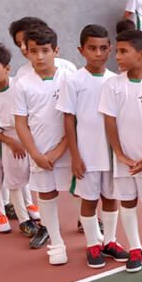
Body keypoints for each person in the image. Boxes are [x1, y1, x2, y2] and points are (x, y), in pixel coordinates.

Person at [99, 29, 142, 273]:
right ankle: (135, 247)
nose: (117, 56)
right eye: (117, 51)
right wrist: (119, 153)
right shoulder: (112, 85)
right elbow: (109, 121)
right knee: (127, 201)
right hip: (124, 159)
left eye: (123, 51)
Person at [58, 24, 123, 269]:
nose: (98, 53)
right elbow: (68, 118)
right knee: (89, 199)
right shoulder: (73, 81)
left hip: (110, 153)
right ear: (81, 50)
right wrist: (75, 156)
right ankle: (92, 243)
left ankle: (110, 241)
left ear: (110, 50)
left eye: (103, 48)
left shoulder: (115, 80)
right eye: (92, 48)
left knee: (111, 197)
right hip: (87, 152)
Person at [13, 25, 73, 266]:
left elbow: (74, 118)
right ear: (26, 52)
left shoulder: (69, 77)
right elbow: (21, 123)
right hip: (40, 154)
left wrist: (60, 149)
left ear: (55, 51)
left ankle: (95, 237)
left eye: (45, 50)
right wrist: (36, 154)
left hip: (68, 151)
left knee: (82, 191)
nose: (39, 56)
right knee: (47, 194)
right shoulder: (22, 83)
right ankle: (57, 243)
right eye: (34, 51)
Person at [0, 42, 44, 239]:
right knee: (14, 182)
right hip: (10, 141)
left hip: (31, 136)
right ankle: (24, 221)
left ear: (7, 68)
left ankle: (37, 211)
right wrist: (10, 142)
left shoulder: (21, 86)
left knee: (35, 177)